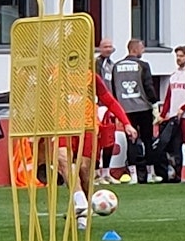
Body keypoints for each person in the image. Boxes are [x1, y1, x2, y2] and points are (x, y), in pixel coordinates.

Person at [56, 70, 138, 230]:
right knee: (63, 160)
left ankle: (83, 216)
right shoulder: (54, 74)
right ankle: (80, 201)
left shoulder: (90, 77)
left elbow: (109, 100)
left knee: (84, 171)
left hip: (87, 127)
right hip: (62, 126)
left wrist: (126, 123)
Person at [113, 39, 163, 184]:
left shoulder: (117, 66)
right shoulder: (143, 65)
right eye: (142, 48)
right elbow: (149, 87)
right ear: (135, 49)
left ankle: (133, 175)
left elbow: (114, 89)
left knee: (131, 142)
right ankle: (150, 174)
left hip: (125, 109)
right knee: (148, 140)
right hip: (143, 107)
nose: (144, 51)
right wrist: (155, 104)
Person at [158, 45, 185, 183]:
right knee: (173, 147)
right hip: (173, 117)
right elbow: (168, 97)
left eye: (181, 56)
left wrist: (183, 108)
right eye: (177, 56)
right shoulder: (173, 76)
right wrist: (163, 114)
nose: (178, 58)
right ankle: (175, 174)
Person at [93, 37, 126, 184]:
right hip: (96, 105)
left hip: (109, 106)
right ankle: (94, 173)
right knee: (96, 141)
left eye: (110, 47)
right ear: (100, 48)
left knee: (109, 140)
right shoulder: (95, 63)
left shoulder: (113, 65)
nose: (108, 49)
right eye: (105, 46)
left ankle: (106, 172)